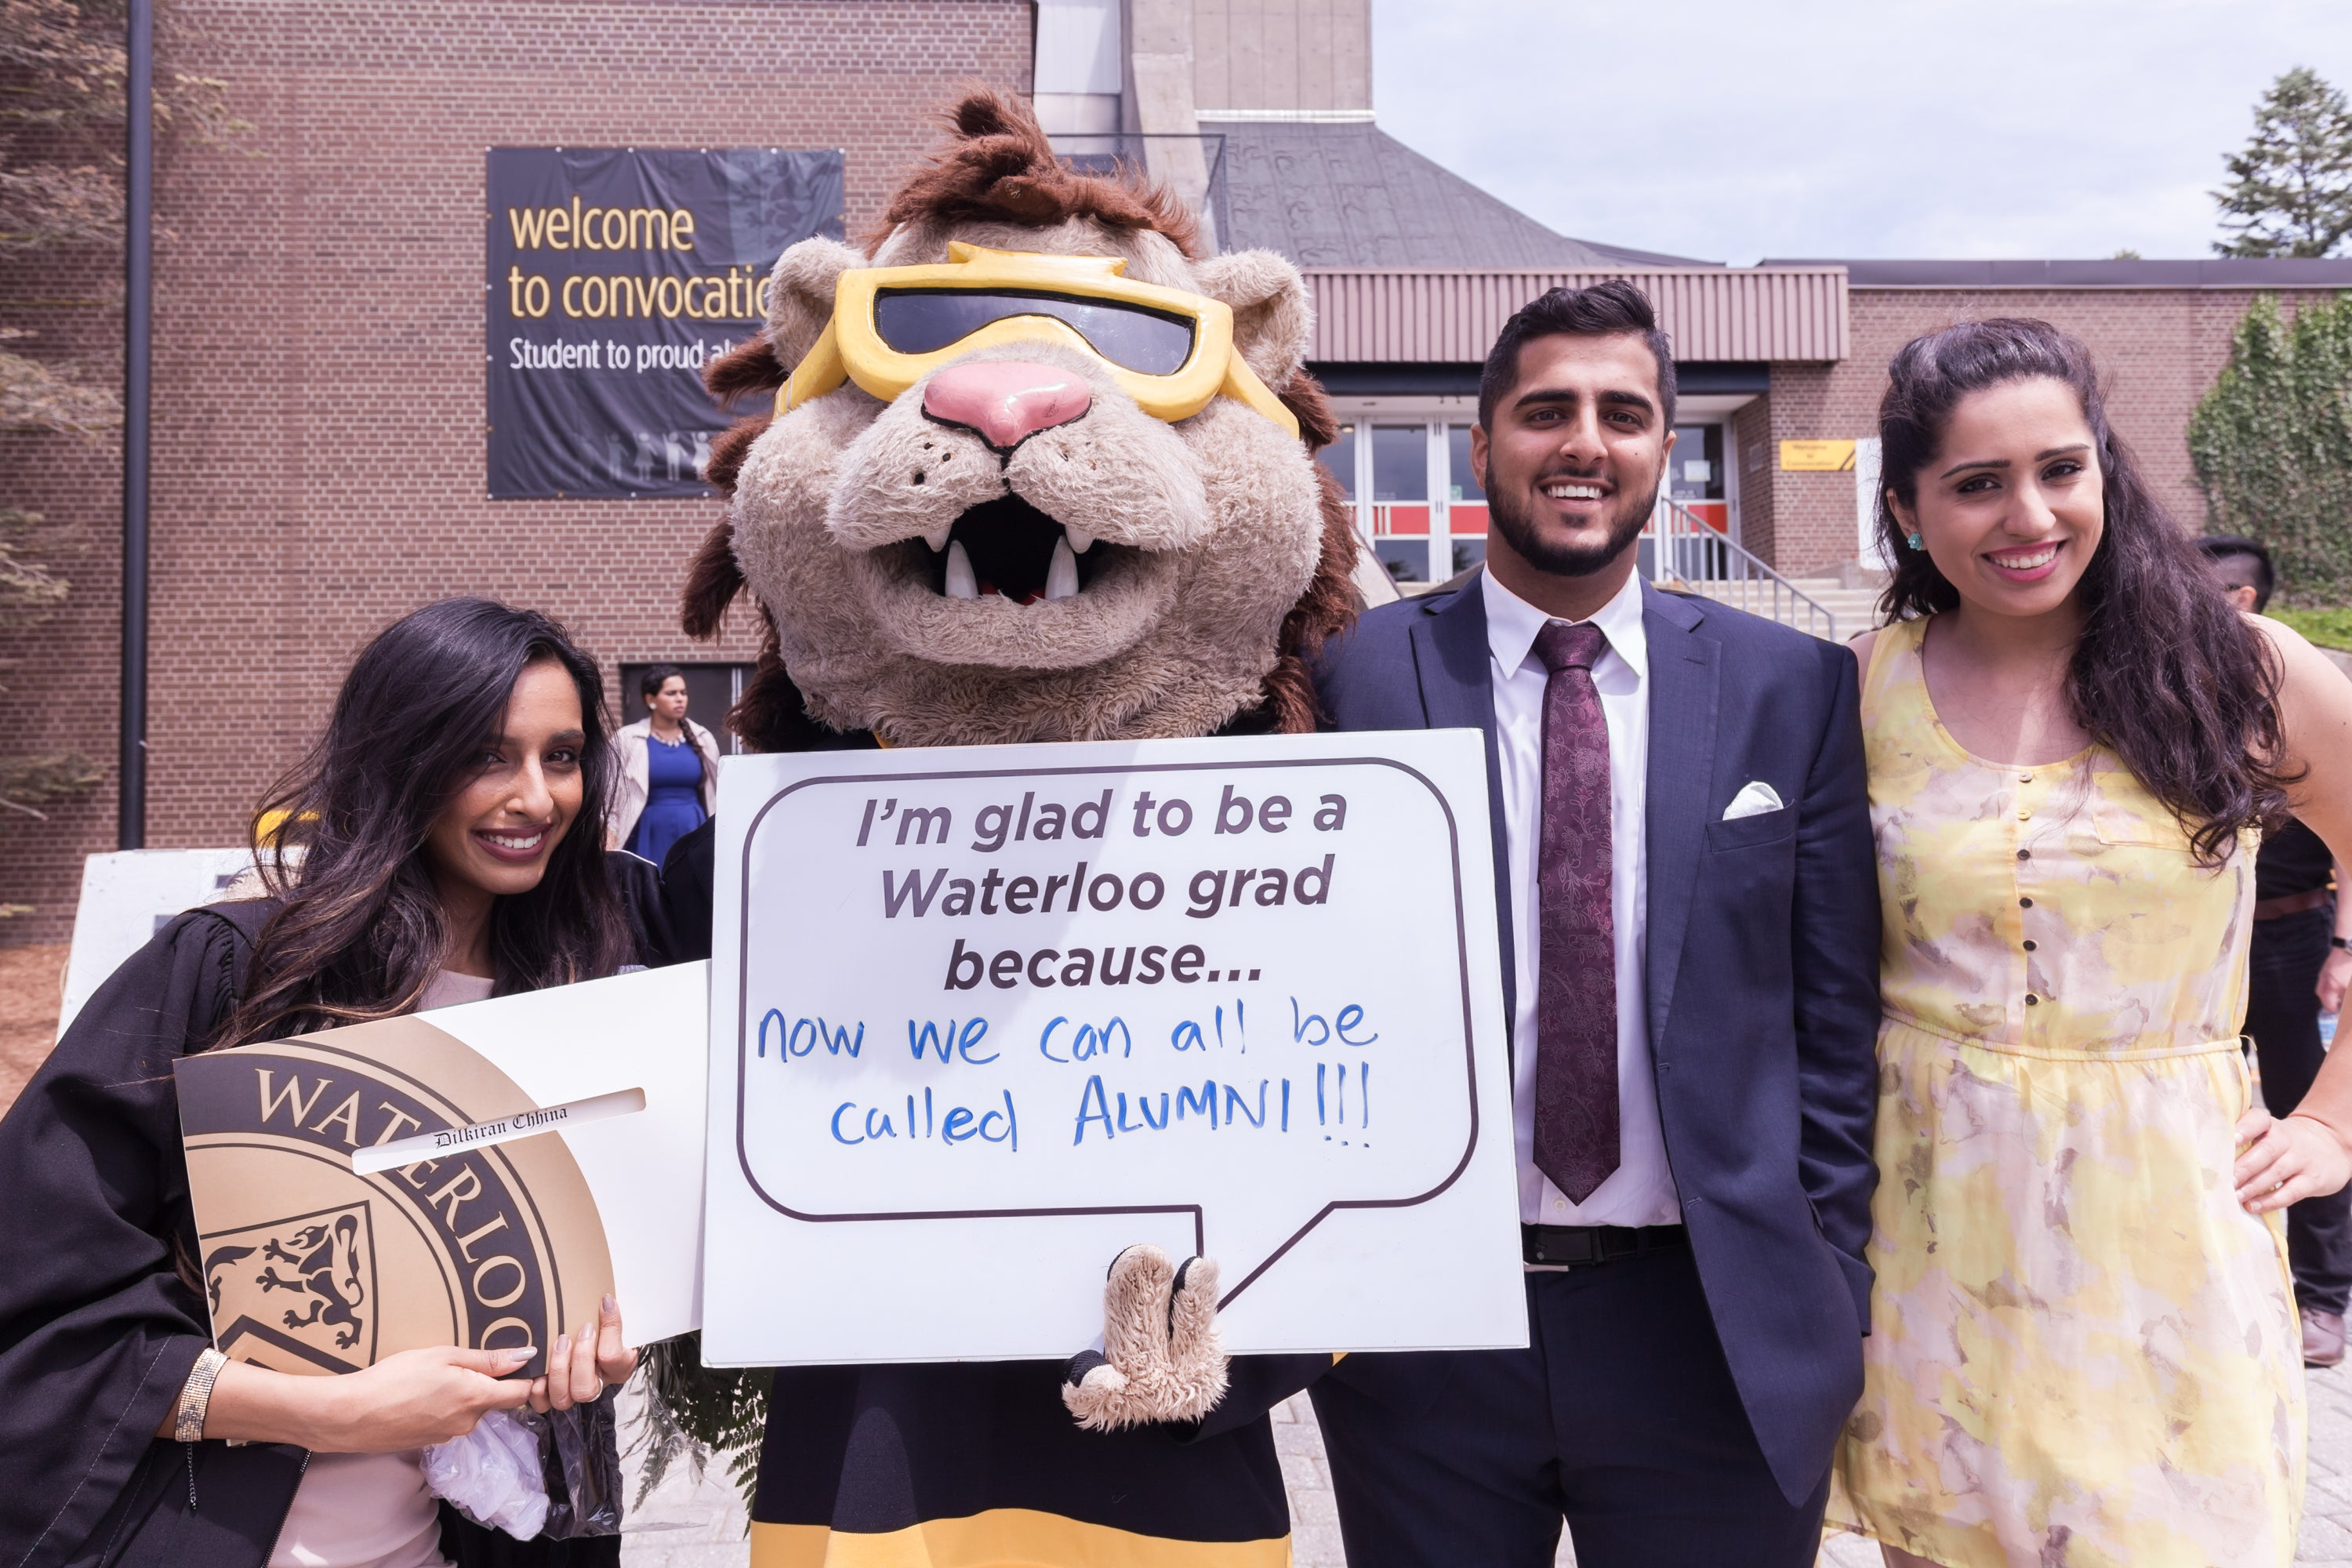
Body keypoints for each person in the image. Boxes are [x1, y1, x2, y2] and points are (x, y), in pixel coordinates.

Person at [1305, 279, 1884, 1566]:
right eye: (1545, 410)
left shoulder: (1790, 685)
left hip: (1715, 1329)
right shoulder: (1350, 682)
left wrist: (1833, 1273)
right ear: (1483, 444)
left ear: (1664, 451)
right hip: (1427, 1337)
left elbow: (1834, 1017)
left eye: (1624, 413)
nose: (1584, 442)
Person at [1828, 320, 2352, 1568]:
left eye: (2062, 469)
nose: (2030, 515)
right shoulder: (1854, 692)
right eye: (1977, 483)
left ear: (2106, 470)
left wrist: (2333, 1119)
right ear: (1906, 510)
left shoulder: (2241, 673)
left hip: (2166, 1236)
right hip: (1933, 1243)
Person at [0, 599, 652, 1568]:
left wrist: (581, 1356)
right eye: (487, 756)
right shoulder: (233, 972)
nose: (536, 796)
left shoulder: (575, 1004)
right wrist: (337, 1409)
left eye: (561, 757)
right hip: (214, 1536)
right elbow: (43, 1294)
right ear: (405, 760)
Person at [2201, 534, 2352, 1368]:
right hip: (2205, 946)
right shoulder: (2174, 687)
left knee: (2304, 1107)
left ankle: (2324, 1296)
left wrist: (2344, 946)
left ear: (2248, 600)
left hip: (2294, 934)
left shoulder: (2282, 687)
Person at [607, 663, 719, 867]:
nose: (680, 698)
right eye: (671, 693)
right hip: (647, 833)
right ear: (651, 700)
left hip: (693, 828)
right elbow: (610, 797)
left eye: (683, 693)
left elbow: (717, 792)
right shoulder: (627, 739)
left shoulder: (703, 739)